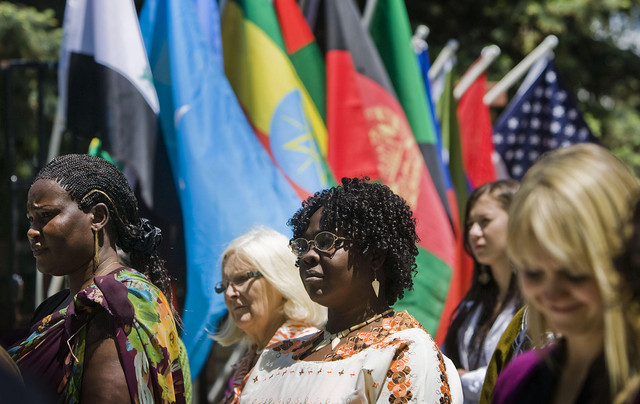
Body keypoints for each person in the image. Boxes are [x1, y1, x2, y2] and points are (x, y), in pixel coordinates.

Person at [238, 177, 462, 403]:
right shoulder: (278, 355)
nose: (308, 255)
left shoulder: (404, 349)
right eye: (303, 246)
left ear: (374, 256)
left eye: (326, 241)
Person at [7, 154, 190, 403]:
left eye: (46, 215)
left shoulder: (115, 304)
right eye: (31, 219)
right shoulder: (54, 306)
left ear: (98, 217)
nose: (31, 231)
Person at [492, 143, 640, 404]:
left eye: (573, 272)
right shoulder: (517, 379)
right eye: (533, 272)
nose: (551, 292)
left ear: (625, 257)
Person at [213, 226, 326, 403]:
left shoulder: (309, 352)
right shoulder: (249, 359)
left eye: (242, 278)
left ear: (279, 278)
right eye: (224, 285)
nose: (229, 293)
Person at [442, 180, 523, 404]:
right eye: (470, 224)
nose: (474, 232)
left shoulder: (539, 301)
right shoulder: (472, 305)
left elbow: (529, 370)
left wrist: (463, 381)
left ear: (518, 219)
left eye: (485, 221)